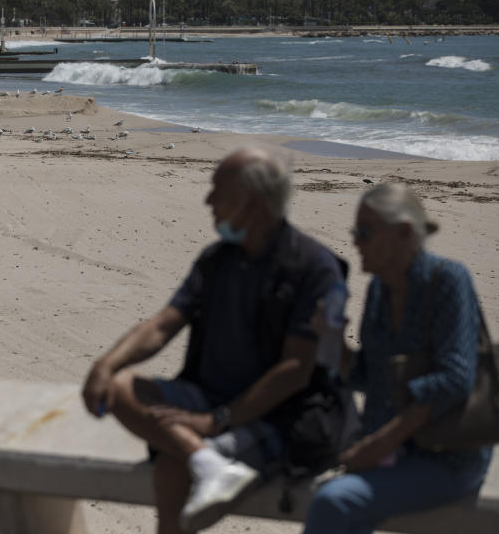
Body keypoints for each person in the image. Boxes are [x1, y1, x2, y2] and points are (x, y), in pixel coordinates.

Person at [82, 147, 345, 533]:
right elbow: (163, 324)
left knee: (174, 460)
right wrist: (105, 365)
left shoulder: (314, 267)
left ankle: (201, 460)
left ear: (250, 202)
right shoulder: (217, 260)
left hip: (280, 415)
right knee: (121, 387)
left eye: (217, 190)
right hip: (208, 399)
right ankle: (205, 459)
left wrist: (215, 420)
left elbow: (296, 371)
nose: (207, 200)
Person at [304, 183, 492, 533]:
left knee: (334, 502)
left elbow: (455, 379)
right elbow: (369, 377)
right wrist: (334, 343)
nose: (356, 241)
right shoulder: (379, 289)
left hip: (445, 454)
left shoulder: (448, 279)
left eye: (364, 232)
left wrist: (379, 445)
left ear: (403, 233)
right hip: (392, 450)